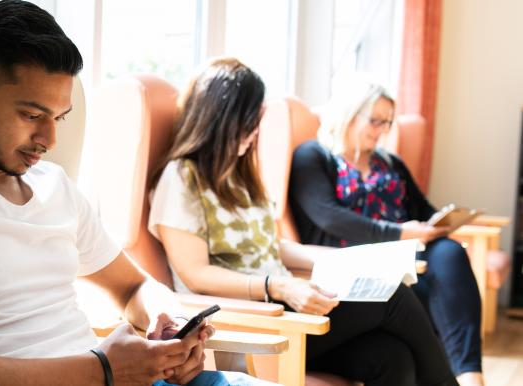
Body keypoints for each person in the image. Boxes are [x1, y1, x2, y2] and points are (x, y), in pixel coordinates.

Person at [0, 2, 271, 385]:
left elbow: (134, 286)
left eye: (59, 118)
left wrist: (170, 323)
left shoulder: (55, 187)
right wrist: (101, 371)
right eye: (31, 114)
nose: (49, 139)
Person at [148, 58, 459, 386]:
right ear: (219, 118)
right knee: (391, 294)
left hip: (285, 306)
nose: (254, 132)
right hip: (251, 319)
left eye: (256, 121)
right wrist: (277, 286)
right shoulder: (181, 177)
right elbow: (196, 275)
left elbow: (270, 246)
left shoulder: (238, 177)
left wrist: (342, 261)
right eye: (249, 121)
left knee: (391, 357)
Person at [287, 80, 484, 386]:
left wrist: (441, 223)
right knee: (412, 308)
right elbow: (328, 216)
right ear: (349, 113)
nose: (381, 130)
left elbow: (423, 211)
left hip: (403, 259)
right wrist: (398, 232)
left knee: (449, 252)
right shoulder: (314, 156)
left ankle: (471, 376)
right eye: (375, 120)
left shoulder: (390, 163)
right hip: (353, 261)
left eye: (388, 123)